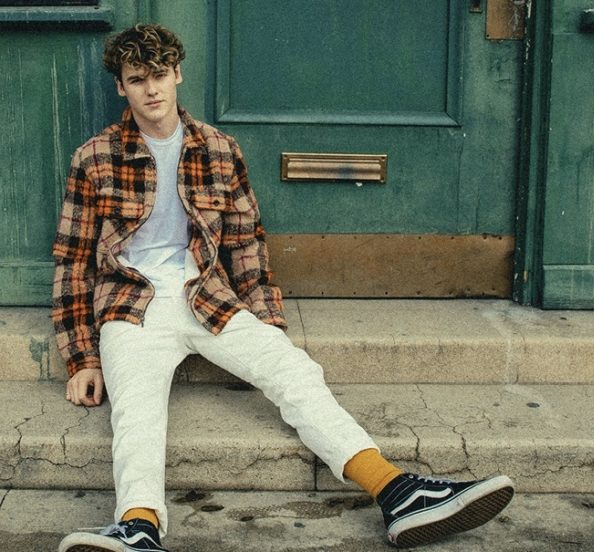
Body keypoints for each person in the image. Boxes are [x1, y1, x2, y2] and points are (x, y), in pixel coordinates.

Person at [53, 24, 514, 552]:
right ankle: (139, 527)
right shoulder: (95, 156)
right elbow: (73, 261)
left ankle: (398, 492)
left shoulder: (219, 148)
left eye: (160, 74)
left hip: (204, 293)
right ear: (121, 87)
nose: (151, 89)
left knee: (294, 370)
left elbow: (246, 244)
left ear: (177, 74)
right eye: (138, 79)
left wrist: (267, 327)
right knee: (136, 408)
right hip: (130, 304)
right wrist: (82, 358)